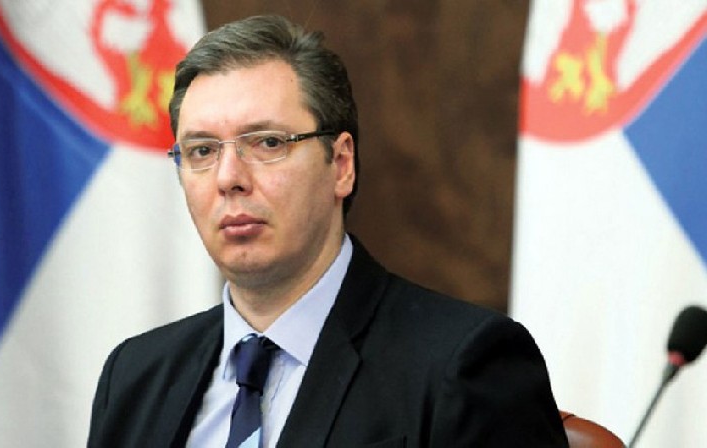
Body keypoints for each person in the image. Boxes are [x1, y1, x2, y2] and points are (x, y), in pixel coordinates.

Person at [87, 14, 568, 447]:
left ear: (340, 165)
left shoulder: (462, 365)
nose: (228, 177)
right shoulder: (134, 376)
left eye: (268, 142)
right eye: (202, 151)